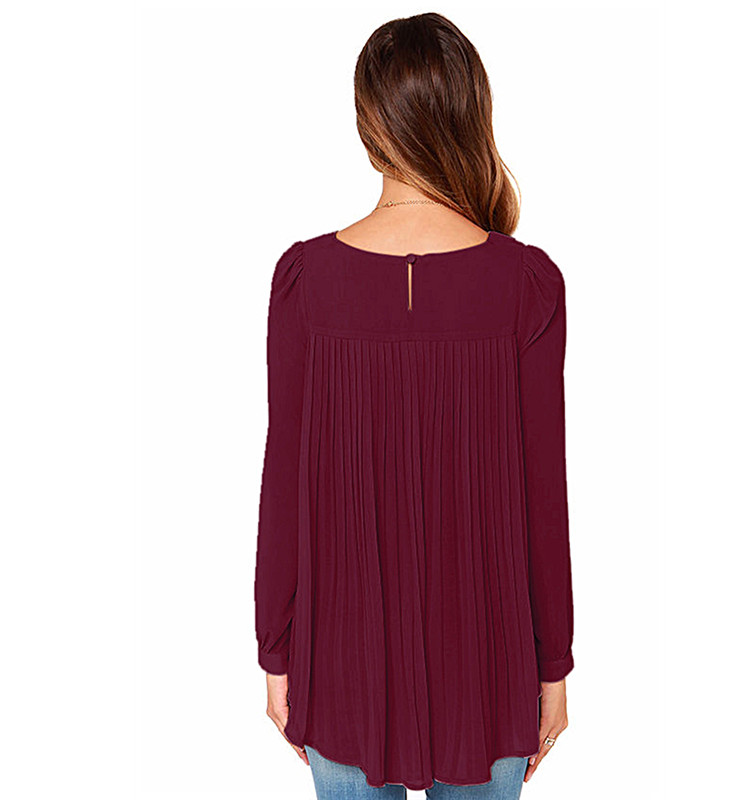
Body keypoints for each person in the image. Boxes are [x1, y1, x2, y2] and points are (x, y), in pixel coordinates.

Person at [255, 12, 575, 799]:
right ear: (470, 113)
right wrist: (553, 664)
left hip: (341, 659)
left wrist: (276, 649)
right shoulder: (526, 285)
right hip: (491, 665)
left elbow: (282, 482)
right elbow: (545, 493)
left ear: (370, 123)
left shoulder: (305, 282)